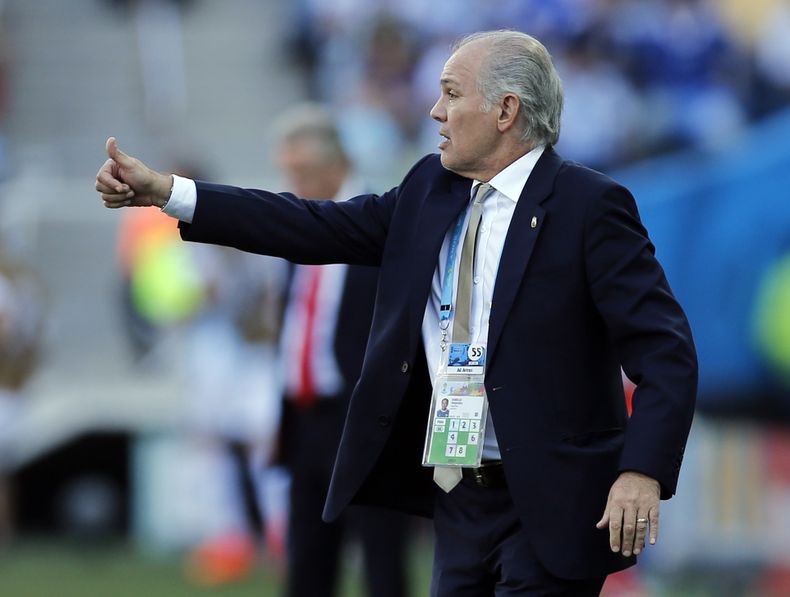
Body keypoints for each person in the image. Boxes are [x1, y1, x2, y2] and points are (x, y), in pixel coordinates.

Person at [96, 30, 697, 596]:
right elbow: (310, 224)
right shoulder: (429, 189)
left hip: (551, 498)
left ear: (506, 111)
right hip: (458, 492)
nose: (435, 111)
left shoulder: (589, 205)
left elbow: (665, 351)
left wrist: (641, 472)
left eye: (452, 94)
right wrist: (169, 192)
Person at [271, 105, 411, 597]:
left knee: (380, 560)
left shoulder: (378, 223)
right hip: (305, 416)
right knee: (308, 562)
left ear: (337, 163)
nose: (295, 182)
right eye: (289, 171)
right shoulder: (300, 223)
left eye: (303, 171)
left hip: (363, 418)